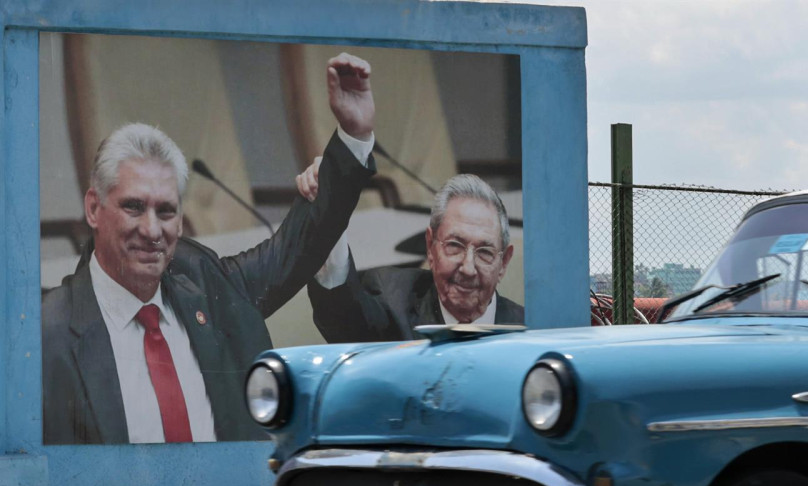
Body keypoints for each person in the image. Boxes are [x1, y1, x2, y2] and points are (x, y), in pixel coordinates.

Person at [42, 53, 378, 445]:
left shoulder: (202, 280)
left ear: (181, 221)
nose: (152, 230)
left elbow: (292, 251)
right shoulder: (49, 334)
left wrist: (352, 136)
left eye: (166, 211)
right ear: (94, 208)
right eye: (134, 206)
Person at [305, 174, 523, 343]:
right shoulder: (393, 300)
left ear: (503, 263)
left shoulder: (529, 332)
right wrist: (329, 218)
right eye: (455, 246)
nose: (468, 268)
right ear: (430, 246)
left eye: (484, 252)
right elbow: (342, 318)